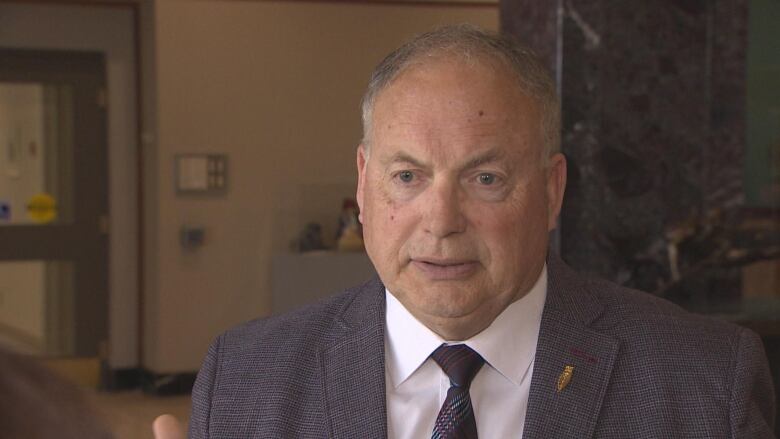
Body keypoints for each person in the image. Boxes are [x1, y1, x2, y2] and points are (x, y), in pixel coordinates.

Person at [188, 24, 776, 438]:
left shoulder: (703, 383)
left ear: (552, 190)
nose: (441, 221)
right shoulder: (245, 380)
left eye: (487, 178)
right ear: (364, 183)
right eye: (408, 175)